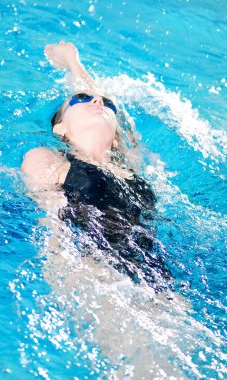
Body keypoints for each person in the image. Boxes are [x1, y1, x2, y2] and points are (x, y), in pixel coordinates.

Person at [21, 41, 171, 291]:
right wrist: (64, 278)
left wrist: (74, 63)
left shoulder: (130, 167)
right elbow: (51, 223)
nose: (98, 103)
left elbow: (103, 103)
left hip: (157, 279)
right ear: (61, 129)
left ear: (115, 139)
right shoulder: (48, 159)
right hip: (99, 276)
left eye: (107, 104)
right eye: (82, 99)